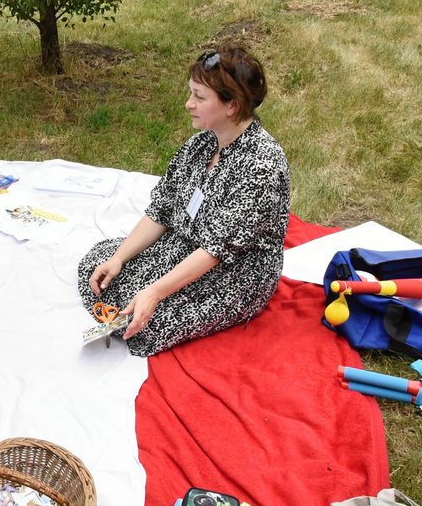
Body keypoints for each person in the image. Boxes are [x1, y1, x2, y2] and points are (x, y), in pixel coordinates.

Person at [77, 45, 291, 356]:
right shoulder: (203, 143)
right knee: (100, 268)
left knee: (147, 324)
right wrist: (119, 257)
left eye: (199, 97)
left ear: (232, 105)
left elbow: (215, 251)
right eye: (191, 93)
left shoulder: (261, 166)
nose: (188, 104)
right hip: (189, 244)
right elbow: (162, 209)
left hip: (234, 270)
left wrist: (155, 292)